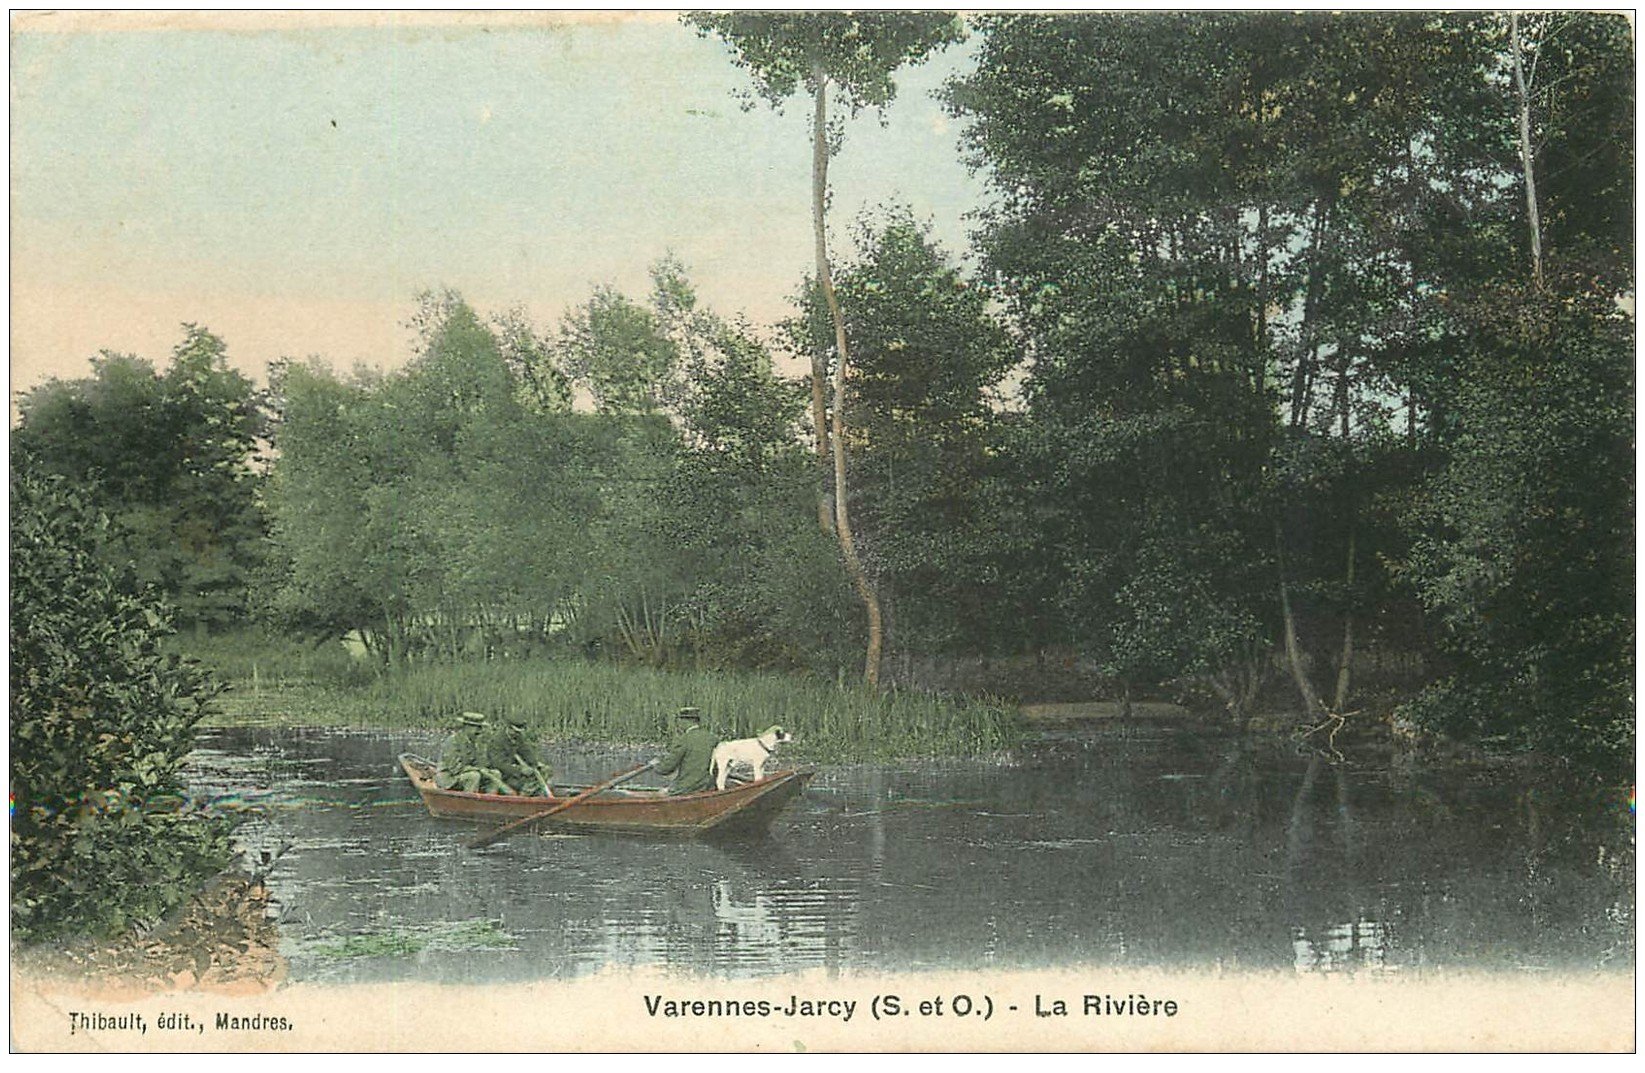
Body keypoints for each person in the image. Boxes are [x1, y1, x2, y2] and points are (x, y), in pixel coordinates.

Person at [482, 710, 553, 797]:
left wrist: (536, 765)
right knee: (528, 781)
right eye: (515, 731)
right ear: (508, 728)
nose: (517, 734)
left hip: (514, 773)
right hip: (501, 774)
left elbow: (527, 752)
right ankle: (524, 798)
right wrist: (520, 770)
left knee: (545, 771)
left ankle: (536, 795)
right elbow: (498, 764)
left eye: (518, 732)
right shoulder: (497, 741)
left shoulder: (518, 738)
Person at [436, 711, 509, 794]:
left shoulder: (476, 742)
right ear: (466, 727)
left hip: (467, 774)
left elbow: (480, 763)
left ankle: (489, 802)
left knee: (496, 774)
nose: (480, 731)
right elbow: (455, 768)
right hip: (449, 778)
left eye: (480, 728)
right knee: (473, 776)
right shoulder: (452, 742)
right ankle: (469, 802)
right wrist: (479, 770)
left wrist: (487, 770)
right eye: (477, 728)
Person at [651, 706, 718, 795]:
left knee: (658, 794)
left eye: (679, 720)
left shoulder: (683, 740)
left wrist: (655, 765)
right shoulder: (713, 738)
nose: (678, 724)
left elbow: (667, 768)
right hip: (709, 786)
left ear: (685, 721)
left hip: (687, 788)